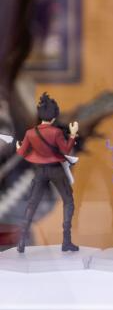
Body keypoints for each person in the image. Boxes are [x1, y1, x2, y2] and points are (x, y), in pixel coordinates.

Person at [16, 92, 79, 252]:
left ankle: (21, 241)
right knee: (68, 201)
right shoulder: (56, 132)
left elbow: (22, 152)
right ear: (54, 116)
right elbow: (66, 150)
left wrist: (17, 147)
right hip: (56, 169)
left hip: (40, 171)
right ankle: (66, 240)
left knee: (32, 203)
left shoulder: (30, 133)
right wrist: (72, 134)